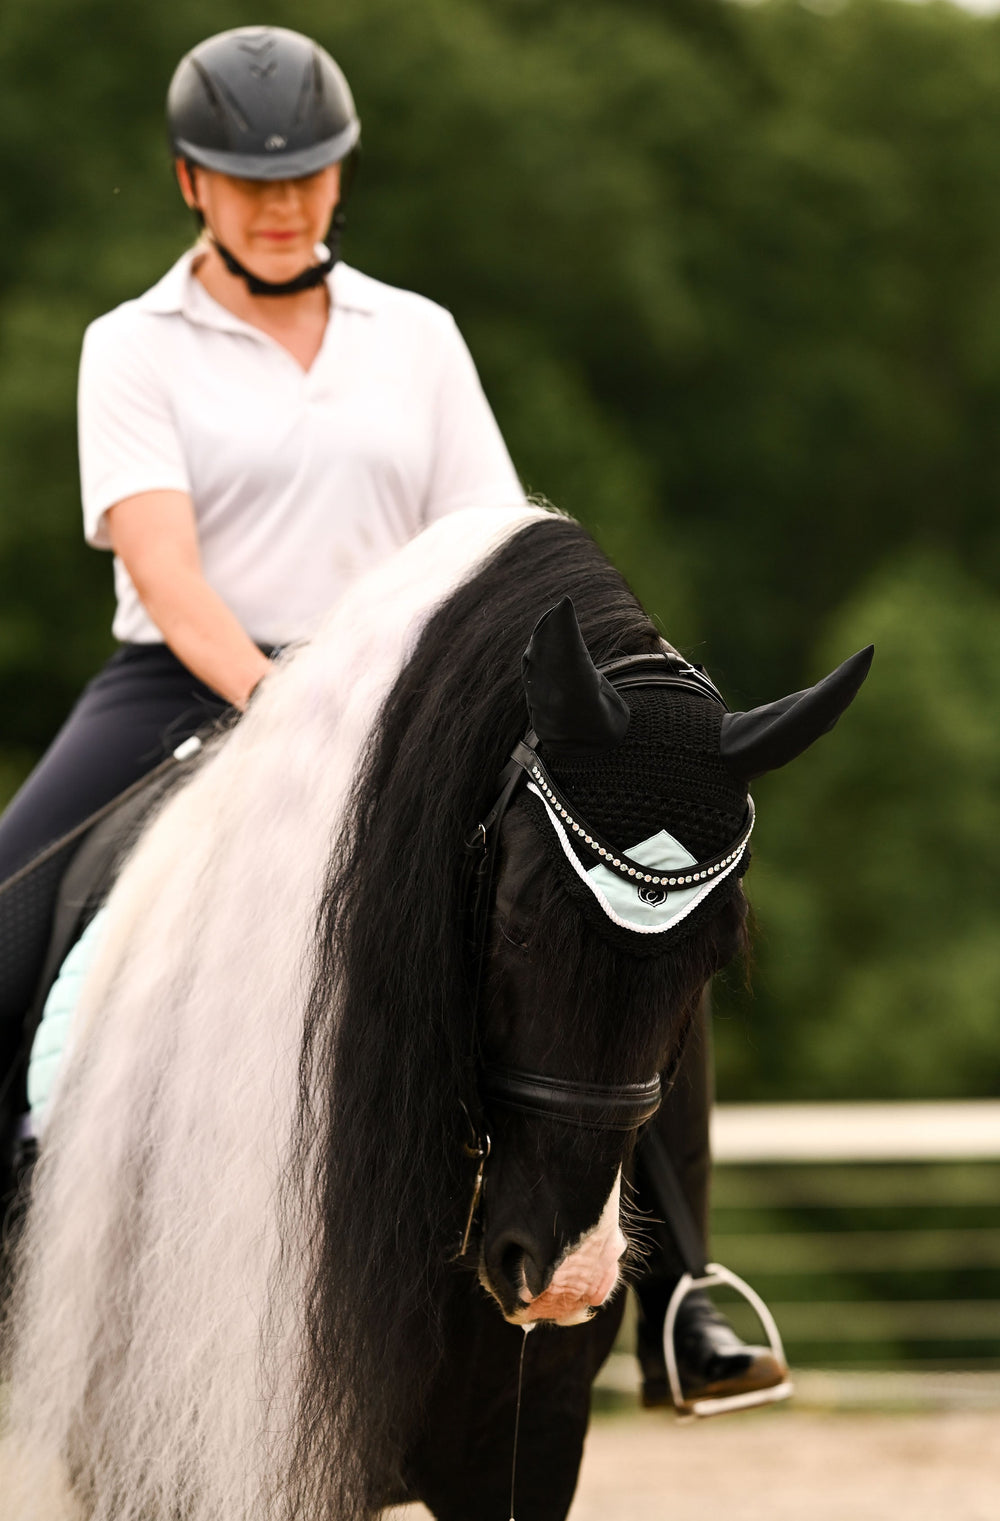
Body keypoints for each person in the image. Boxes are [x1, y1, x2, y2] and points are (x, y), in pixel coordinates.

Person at [0, 24, 781, 1410]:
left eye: (305, 172)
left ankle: (685, 1291)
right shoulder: (132, 347)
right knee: (10, 911)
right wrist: (284, 701)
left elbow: (493, 541)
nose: (282, 200)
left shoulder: (415, 337)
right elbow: (170, 579)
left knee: (639, 891)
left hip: (401, 697)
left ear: (342, 172)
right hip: (186, 684)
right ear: (191, 183)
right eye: (249, 179)